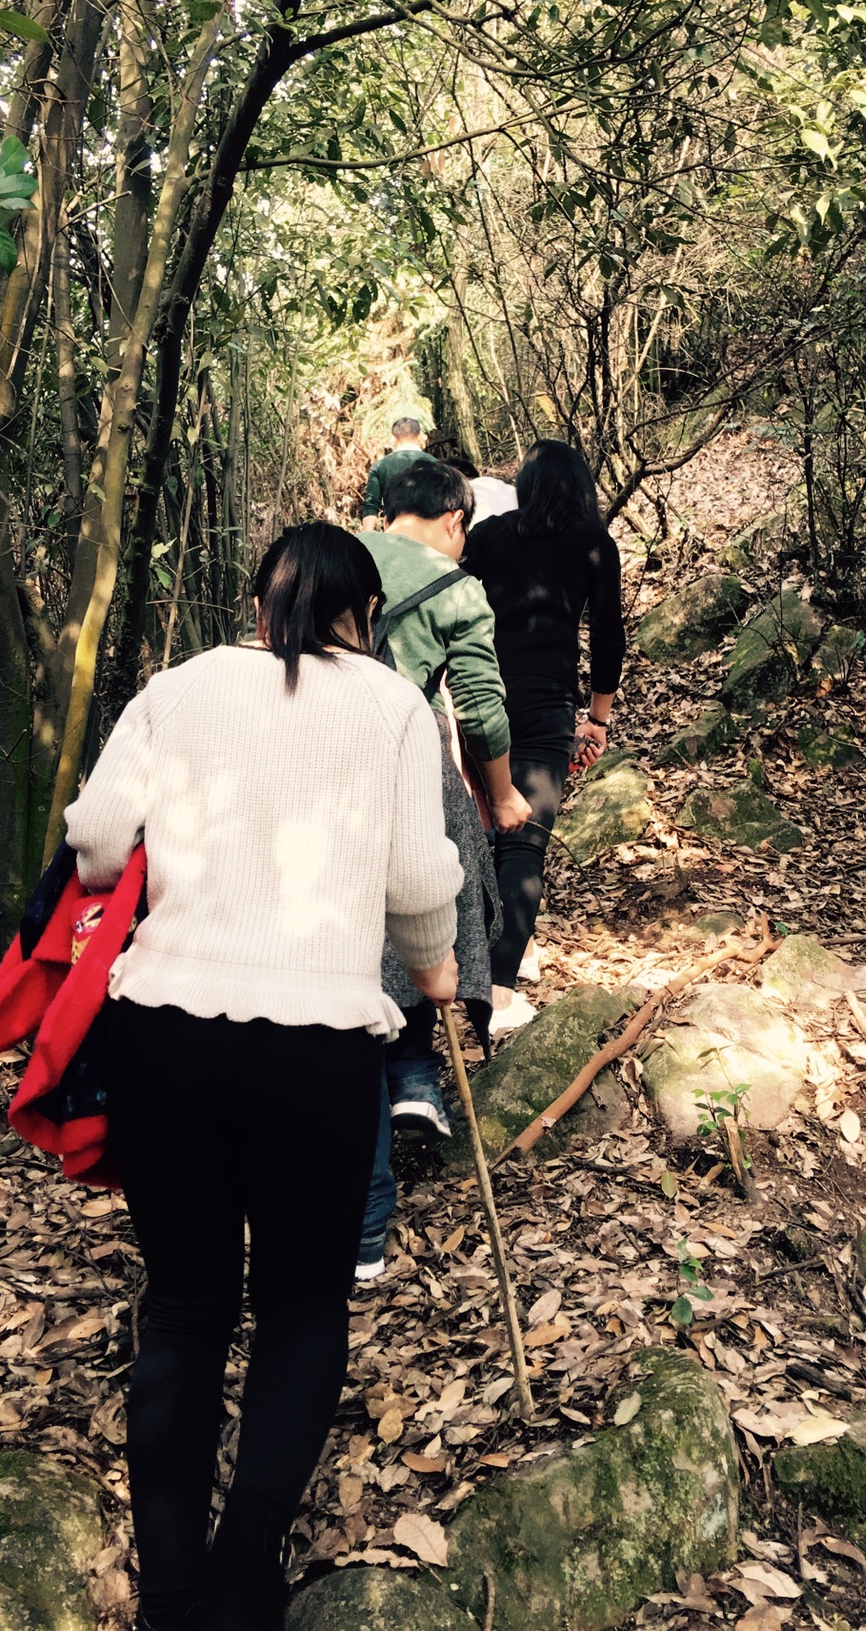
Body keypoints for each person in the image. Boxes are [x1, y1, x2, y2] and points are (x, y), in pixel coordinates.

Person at [64, 524, 462, 1631]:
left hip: (166, 1037)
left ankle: (172, 1594)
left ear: (261, 608)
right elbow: (421, 877)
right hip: (318, 1049)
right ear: (364, 615)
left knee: (186, 1309)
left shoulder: (181, 686)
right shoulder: (389, 706)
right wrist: (434, 974)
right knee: (301, 1303)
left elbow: (97, 838)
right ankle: (246, 1567)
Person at [356, 457, 530, 1276]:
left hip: (314, 751)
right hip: (408, 747)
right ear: (457, 520)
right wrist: (499, 800)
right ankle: (417, 1071)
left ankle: (388, 1071)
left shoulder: (331, 554)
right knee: (433, 890)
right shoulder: (458, 589)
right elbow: (485, 711)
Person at [464, 440, 625, 1015]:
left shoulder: (486, 538)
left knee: (477, 830)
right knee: (525, 844)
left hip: (475, 697)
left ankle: (469, 966)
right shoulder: (592, 544)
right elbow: (609, 639)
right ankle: (497, 989)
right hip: (545, 707)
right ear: (580, 486)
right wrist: (597, 720)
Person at [360, 415, 427, 529]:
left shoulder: (380, 466)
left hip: (393, 531)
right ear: (419, 437)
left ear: (393, 438)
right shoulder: (436, 465)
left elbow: (371, 505)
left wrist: (367, 537)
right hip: (426, 532)